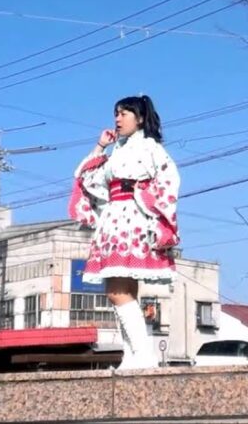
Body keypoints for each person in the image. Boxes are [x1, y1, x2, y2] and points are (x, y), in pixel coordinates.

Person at [68, 95, 179, 370]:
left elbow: (169, 179)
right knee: (125, 289)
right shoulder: (118, 149)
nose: (117, 119)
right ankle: (132, 355)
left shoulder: (150, 148)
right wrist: (100, 147)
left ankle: (144, 356)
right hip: (116, 218)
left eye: (124, 113)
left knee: (117, 290)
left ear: (139, 118)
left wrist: (150, 205)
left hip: (131, 218)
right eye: (116, 113)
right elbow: (86, 177)